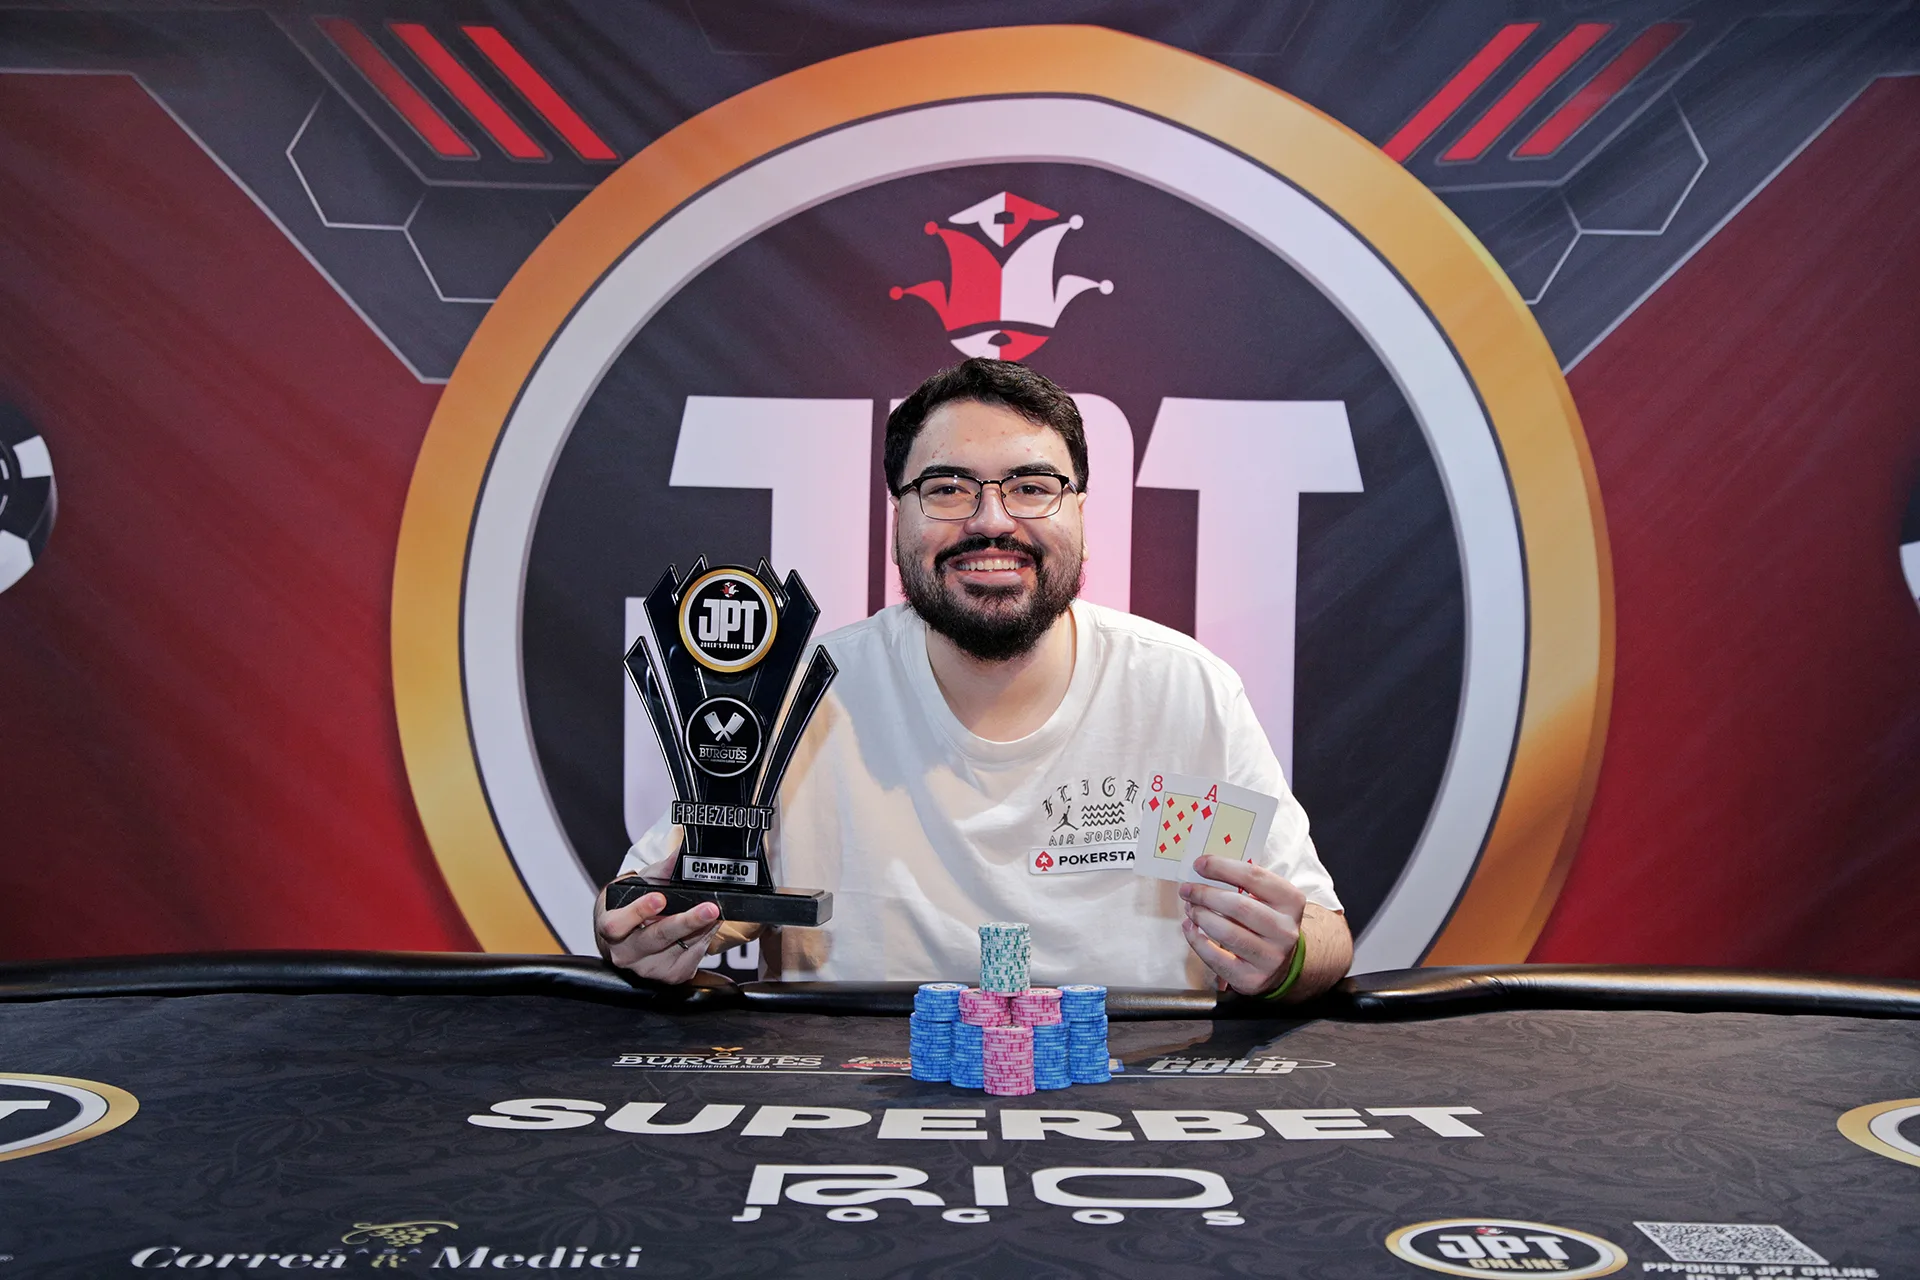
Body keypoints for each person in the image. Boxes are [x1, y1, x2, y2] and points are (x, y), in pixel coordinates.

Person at [597, 358, 1351, 999]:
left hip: (1131, 1093)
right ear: (897, 515)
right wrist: (657, 931)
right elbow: (658, 905)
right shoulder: (802, 694)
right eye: (948, 488)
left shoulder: (1182, 694)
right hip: (843, 1097)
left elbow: (1323, 935)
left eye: (1032, 486)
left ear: (1081, 512)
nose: (991, 520)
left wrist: (1283, 958)